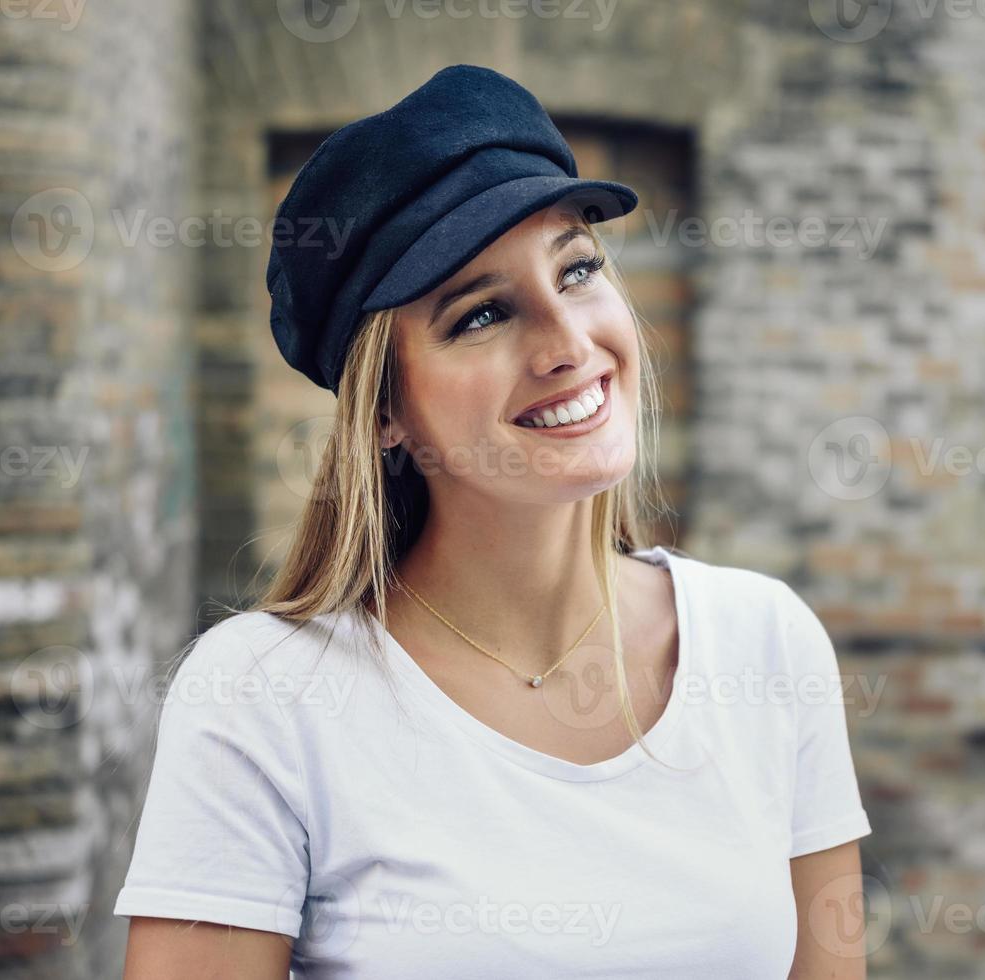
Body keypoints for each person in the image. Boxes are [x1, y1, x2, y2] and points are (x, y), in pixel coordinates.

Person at [114, 64, 872, 979]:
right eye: (480, 315)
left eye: (578, 268)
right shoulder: (262, 698)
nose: (568, 344)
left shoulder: (766, 644)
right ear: (385, 411)